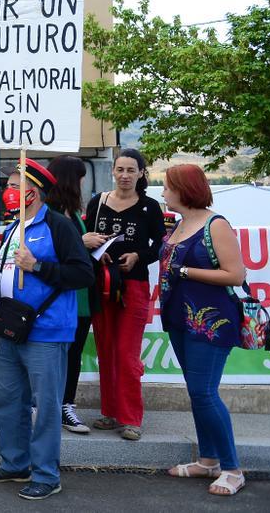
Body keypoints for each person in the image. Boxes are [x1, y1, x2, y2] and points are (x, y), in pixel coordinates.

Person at [0, 158, 92, 500]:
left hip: (47, 331)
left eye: (14, 187)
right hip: (11, 329)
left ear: (34, 192)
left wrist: (39, 266)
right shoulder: (14, 227)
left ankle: (46, 473)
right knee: (9, 401)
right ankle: (15, 463)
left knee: (46, 406)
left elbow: (82, 274)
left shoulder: (58, 226)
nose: (8, 193)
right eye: (8, 187)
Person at [159, 164, 246, 496]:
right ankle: (208, 460)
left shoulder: (216, 225)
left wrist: (185, 272)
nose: (164, 192)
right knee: (197, 392)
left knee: (204, 393)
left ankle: (232, 468)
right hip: (181, 320)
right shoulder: (181, 223)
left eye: (167, 187)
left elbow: (235, 275)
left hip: (211, 324)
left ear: (183, 189)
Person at [82, 149, 165, 441]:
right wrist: (96, 253)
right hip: (101, 285)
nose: (125, 175)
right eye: (120, 169)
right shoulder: (98, 203)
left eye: (132, 170)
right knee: (105, 350)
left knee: (127, 354)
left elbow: (161, 247)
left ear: (142, 173)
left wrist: (137, 256)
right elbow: (86, 238)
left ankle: (131, 418)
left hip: (134, 287)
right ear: (113, 172)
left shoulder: (150, 207)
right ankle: (110, 412)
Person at [44, 155, 93, 434]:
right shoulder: (47, 213)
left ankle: (67, 405)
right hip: (58, 296)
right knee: (53, 354)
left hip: (81, 295)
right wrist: (82, 242)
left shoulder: (73, 213)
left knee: (74, 353)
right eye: (81, 178)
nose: (84, 183)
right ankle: (48, 404)